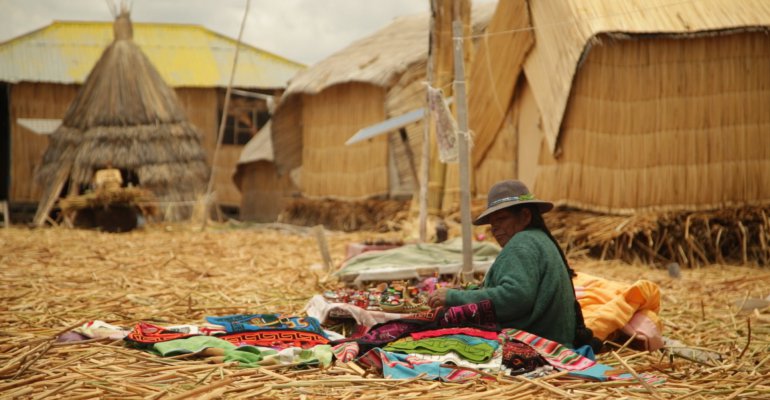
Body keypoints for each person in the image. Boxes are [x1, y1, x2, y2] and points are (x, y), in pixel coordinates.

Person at [427, 180, 597, 350]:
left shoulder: (522, 243)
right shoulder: (537, 239)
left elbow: (514, 297)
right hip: (553, 340)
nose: (495, 228)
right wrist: (467, 292)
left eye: (501, 219)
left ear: (525, 216)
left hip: (537, 344)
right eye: (492, 223)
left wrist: (454, 298)